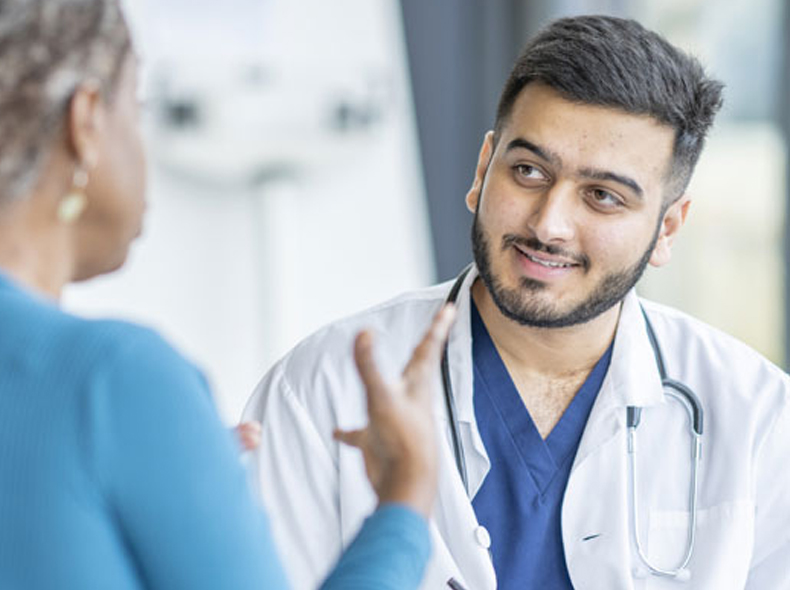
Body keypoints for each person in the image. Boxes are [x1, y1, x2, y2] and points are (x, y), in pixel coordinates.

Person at [243, 15, 790, 590]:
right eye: (528, 171)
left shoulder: (758, 418)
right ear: (483, 170)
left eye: (602, 197)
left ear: (668, 228)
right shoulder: (324, 390)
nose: (549, 224)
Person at [0, 1, 456, 588]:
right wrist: (405, 499)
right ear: (85, 121)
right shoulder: (116, 380)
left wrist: (161, 465)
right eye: (134, 110)